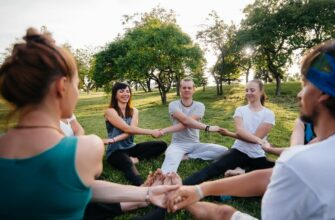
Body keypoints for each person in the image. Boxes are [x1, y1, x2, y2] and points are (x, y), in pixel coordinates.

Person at [168, 39, 335, 220]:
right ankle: (184, 197)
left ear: (324, 94)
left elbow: (288, 170)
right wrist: (201, 190)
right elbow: (271, 176)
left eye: (305, 84)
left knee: (221, 214)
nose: (299, 95)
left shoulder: (299, 163)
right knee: (224, 212)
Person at [0, 27, 178, 219]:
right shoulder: (87, 147)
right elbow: (78, 183)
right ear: (62, 86)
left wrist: (146, 193)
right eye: (77, 85)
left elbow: (75, 184)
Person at [182, 79, 275, 185]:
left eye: (252, 90)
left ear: (261, 91)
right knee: (213, 168)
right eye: (246, 90)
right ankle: (179, 188)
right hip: (239, 151)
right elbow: (240, 131)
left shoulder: (269, 114)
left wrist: (230, 134)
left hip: (257, 155)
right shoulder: (240, 110)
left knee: (275, 171)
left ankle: (241, 170)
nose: (248, 93)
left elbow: (254, 139)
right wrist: (261, 141)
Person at [104, 82, 167, 186]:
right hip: (116, 151)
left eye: (128, 91)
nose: (125, 94)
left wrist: (113, 139)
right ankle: (142, 185)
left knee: (161, 145)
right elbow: (127, 128)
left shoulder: (134, 111)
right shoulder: (110, 111)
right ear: (115, 95)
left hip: (131, 147)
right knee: (127, 163)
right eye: (121, 91)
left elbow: (131, 130)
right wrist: (152, 131)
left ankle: (137, 159)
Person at [159, 78, 228, 174]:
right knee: (169, 162)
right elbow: (186, 121)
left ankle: (187, 157)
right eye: (184, 88)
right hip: (177, 144)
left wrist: (164, 130)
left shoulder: (200, 106)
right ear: (180, 89)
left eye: (189, 88)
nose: (186, 90)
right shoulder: (173, 104)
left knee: (224, 150)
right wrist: (207, 127)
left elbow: (188, 122)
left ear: (193, 89)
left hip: (195, 144)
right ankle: (163, 183)